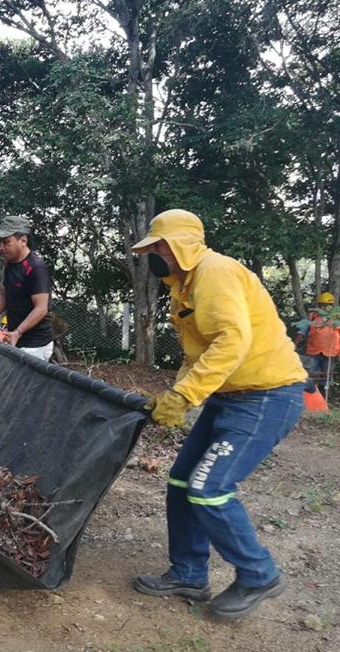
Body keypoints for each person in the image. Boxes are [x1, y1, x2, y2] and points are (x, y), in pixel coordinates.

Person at [130, 208, 307, 620]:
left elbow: (231, 341)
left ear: (181, 246)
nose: (153, 255)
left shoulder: (215, 272)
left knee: (208, 487)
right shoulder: (186, 287)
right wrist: (174, 394)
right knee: (180, 480)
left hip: (267, 396)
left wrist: (186, 397)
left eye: (159, 247)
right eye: (151, 247)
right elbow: (199, 353)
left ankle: (259, 574)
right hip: (229, 397)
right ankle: (190, 574)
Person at [0, 215, 53, 361]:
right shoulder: (10, 264)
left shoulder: (36, 267)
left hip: (35, 344)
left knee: (20, 382)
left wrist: (18, 332)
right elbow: (4, 297)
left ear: (23, 241)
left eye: (6, 242)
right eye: (0, 243)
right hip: (13, 336)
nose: (1, 248)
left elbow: (41, 308)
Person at [298, 292, 338, 398]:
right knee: (310, 376)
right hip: (313, 352)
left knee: (326, 379)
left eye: (326, 305)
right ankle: (309, 402)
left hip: (330, 353)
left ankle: (323, 403)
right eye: (321, 305)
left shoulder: (336, 318)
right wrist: (296, 341)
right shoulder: (313, 317)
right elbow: (303, 330)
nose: (324, 307)